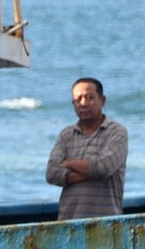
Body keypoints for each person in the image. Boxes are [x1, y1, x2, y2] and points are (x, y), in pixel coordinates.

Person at [45, 78, 129, 220]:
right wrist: (90, 171)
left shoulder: (116, 132)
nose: (83, 104)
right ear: (73, 104)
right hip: (68, 221)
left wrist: (68, 163)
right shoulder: (67, 135)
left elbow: (103, 167)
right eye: (78, 99)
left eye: (89, 98)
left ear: (102, 100)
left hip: (106, 222)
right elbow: (51, 173)